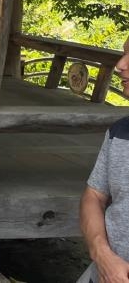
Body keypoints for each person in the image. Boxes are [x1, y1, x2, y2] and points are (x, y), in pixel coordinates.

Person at [79, 35, 129, 283]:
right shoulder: (119, 132)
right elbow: (94, 196)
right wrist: (102, 255)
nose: (120, 64)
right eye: (124, 52)